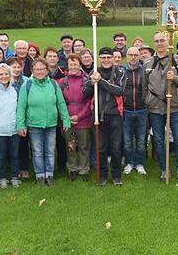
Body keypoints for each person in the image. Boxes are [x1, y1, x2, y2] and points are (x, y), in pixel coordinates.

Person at [143, 32, 178, 181]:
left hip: (175, 107)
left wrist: (174, 78)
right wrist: (148, 100)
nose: (159, 43)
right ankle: (164, 169)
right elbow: (145, 86)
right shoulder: (148, 63)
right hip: (155, 108)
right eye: (156, 41)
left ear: (168, 41)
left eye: (162, 40)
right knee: (158, 141)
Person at [16, 60, 71, 186]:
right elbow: (21, 107)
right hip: (34, 125)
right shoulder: (27, 85)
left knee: (50, 151)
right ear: (32, 71)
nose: (39, 72)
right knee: (37, 152)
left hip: (51, 124)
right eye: (36, 69)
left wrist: (66, 120)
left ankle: (49, 175)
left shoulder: (53, 84)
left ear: (47, 71)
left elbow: (61, 103)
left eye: (42, 69)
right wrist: (20, 125)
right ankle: (40, 176)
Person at [90, 47, 125, 186]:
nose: (105, 60)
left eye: (108, 57)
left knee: (116, 148)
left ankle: (116, 176)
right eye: (102, 57)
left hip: (115, 114)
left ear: (113, 58)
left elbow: (119, 90)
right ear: (99, 59)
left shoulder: (120, 71)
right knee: (100, 148)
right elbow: (86, 92)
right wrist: (91, 83)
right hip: (98, 115)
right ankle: (103, 175)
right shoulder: (94, 72)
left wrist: (101, 82)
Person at [58, 54, 94, 181]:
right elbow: (59, 101)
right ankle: (72, 168)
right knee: (70, 145)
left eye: (75, 64)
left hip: (83, 119)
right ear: (67, 66)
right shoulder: (63, 82)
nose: (73, 66)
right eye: (71, 64)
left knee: (84, 146)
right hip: (67, 119)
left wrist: (79, 116)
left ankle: (84, 169)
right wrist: (66, 117)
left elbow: (89, 101)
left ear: (80, 65)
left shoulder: (87, 81)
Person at [121, 46, 147, 176]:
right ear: (127, 56)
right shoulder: (121, 71)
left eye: (135, 55)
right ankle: (130, 162)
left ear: (139, 57)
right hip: (126, 110)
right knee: (127, 140)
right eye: (130, 55)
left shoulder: (144, 71)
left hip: (142, 110)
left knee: (141, 140)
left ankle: (140, 163)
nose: (133, 57)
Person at [7, 57, 31, 178]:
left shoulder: (27, 81)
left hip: (24, 117)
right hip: (9, 117)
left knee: (23, 144)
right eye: (13, 67)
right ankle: (12, 168)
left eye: (18, 67)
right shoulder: (5, 82)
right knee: (12, 146)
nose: (16, 69)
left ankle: (24, 167)